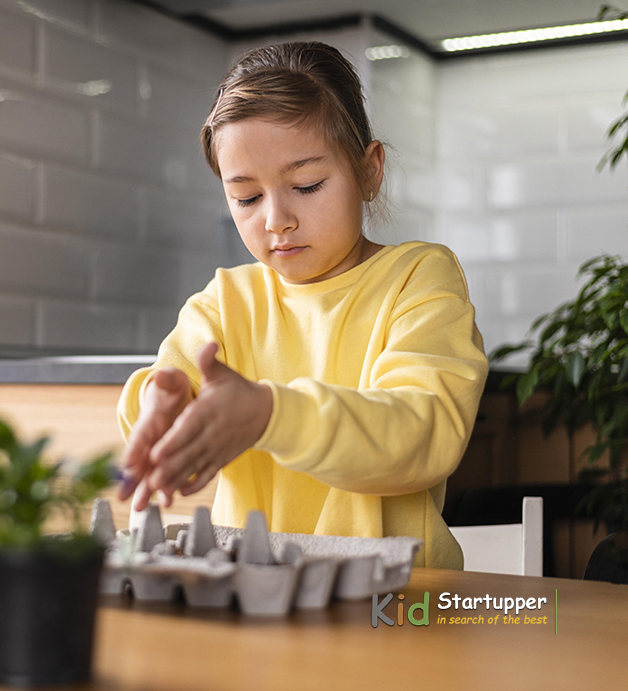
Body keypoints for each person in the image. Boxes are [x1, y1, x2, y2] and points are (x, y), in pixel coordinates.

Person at [114, 41, 488, 569]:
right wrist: (161, 407)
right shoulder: (228, 300)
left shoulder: (417, 279)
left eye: (307, 184)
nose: (275, 220)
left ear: (369, 170)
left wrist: (270, 415)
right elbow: (167, 392)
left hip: (395, 603)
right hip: (253, 597)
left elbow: (423, 433)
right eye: (245, 197)